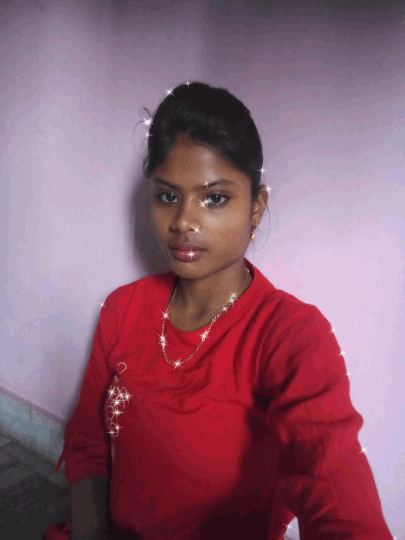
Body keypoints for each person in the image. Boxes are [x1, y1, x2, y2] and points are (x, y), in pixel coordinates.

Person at [43, 82, 393, 540]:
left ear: (256, 207)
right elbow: (87, 439)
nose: (183, 221)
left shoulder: (290, 335)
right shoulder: (124, 308)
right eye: (168, 196)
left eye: (214, 198)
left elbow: (332, 477)